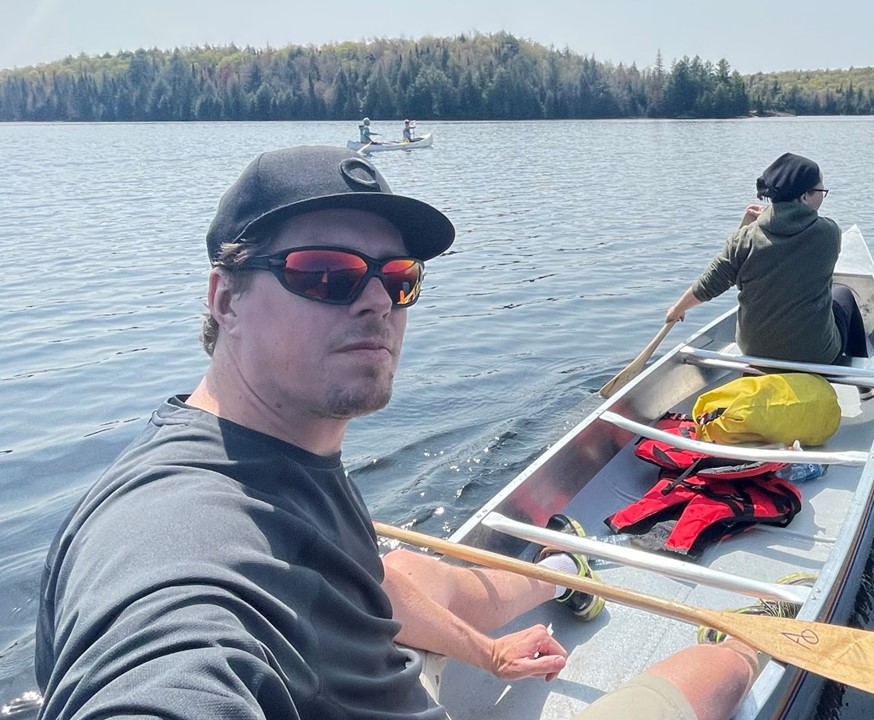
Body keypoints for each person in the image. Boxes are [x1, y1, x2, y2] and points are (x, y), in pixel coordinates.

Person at [35, 145, 765, 720]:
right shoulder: (177, 544)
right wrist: (745, 649)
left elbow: (360, 579)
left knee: (408, 573)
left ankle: (571, 569)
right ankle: (752, 635)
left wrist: (485, 654)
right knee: (704, 676)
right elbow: (165, 659)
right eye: (325, 275)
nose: (378, 302)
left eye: (400, 277)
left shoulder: (273, 453)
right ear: (225, 298)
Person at [666, 152, 869, 367]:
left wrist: (677, 309)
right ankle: (866, 387)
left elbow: (714, 281)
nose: (822, 196)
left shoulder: (745, 237)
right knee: (843, 294)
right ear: (804, 197)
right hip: (814, 354)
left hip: (754, 351)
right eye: (821, 191)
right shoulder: (828, 233)